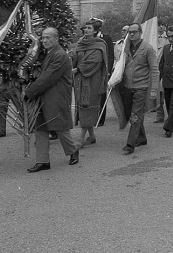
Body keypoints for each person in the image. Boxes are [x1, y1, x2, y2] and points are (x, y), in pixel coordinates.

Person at [25, 27, 80, 172]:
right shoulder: (51, 53)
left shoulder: (60, 55)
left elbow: (48, 77)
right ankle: (42, 161)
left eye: (48, 38)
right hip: (44, 95)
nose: (44, 41)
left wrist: (29, 92)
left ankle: (73, 150)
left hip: (57, 96)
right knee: (40, 127)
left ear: (56, 38)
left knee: (60, 126)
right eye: (42, 38)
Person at [120, 23, 159, 154]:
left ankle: (130, 144)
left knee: (135, 114)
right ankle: (141, 137)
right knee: (130, 112)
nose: (131, 34)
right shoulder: (125, 47)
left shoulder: (147, 48)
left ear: (140, 32)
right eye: (129, 32)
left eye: (134, 32)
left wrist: (154, 89)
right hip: (127, 86)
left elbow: (154, 69)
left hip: (141, 87)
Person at [73, 21, 108, 149]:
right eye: (85, 28)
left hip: (93, 79)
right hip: (80, 80)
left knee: (87, 105)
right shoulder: (81, 43)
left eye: (89, 28)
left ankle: (80, 139)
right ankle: (92, 136)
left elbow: (95, 61)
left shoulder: (99, 44)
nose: (86, 30)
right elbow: (76, 58)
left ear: (95, 31)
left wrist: (77, 69)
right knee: (82, 105)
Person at [90, 18, 114, 127]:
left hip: (102, 70)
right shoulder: (88, 38)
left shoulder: (106, 38)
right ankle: (91, 116)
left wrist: (108, 70)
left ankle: (100, 118)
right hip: (91, 70)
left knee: (101, 93)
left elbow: (110, 55)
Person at [152, 20, 169, 123]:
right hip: (154, 68)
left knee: (165, 92)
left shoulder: (168, 38)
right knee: (157, 92)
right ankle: (159, 114)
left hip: (165, 68)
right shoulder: (152, 38)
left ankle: (171, 115)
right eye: (159, 25)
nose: (161, 27)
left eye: (163, 25)